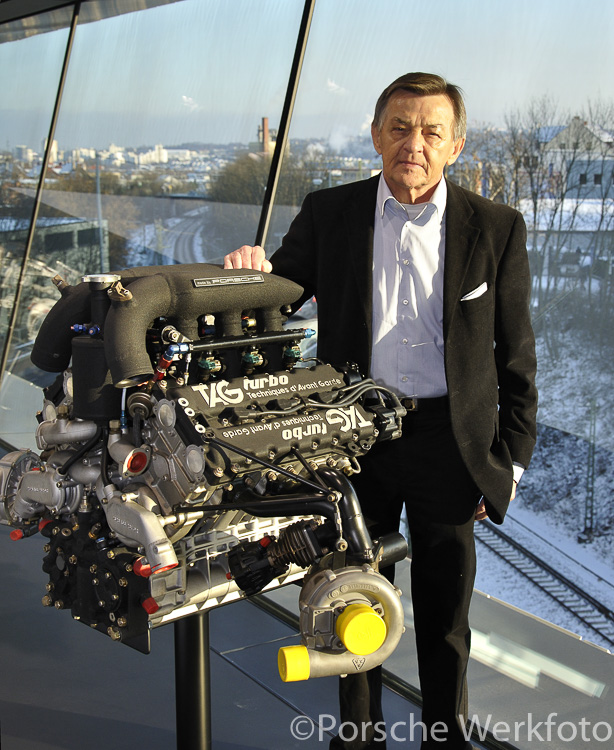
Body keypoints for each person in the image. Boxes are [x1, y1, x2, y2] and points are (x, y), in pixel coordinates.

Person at [224, 72, 537, 749]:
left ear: (456, 144)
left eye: (430, 131)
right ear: (375, 135)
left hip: (451, 444)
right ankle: (357, 737)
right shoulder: (331, 213)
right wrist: (249, 272)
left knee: (444, 610)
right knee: (353, 599)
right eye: (399, 127)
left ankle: (442, 737)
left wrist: (506, 464)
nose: (412, 144)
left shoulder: (496, 228)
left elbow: (517, 360)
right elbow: (272, 303)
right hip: (353, 435)